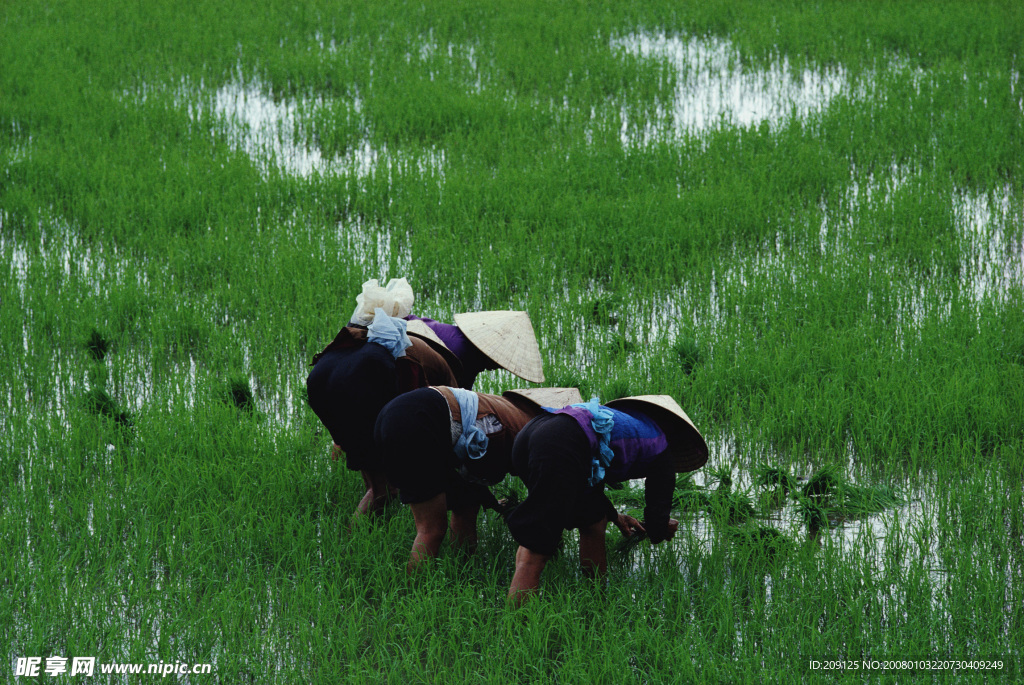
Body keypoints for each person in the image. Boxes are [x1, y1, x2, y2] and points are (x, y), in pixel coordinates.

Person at [307, 278, 546, 518]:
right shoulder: (462, 358)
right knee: (387, 487)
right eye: (498, 361)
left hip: (327, 371)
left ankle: (357, 525)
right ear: (488, 351)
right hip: (366, 381)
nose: (497, 368)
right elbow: (453, 427)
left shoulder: (438, 330)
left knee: (377, 473)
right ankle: (353, 542)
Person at [504, 395, 708, 605]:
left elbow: (591, 482)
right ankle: (516, 627)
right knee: (536, 546)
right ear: (675, 434)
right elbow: (656, 526)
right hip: (562, 443)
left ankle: (597, 601)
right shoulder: (661, 449)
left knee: (593, 520)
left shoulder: (621, 422)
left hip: (532, 432)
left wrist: (614, 516)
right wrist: (662, 528)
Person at [375, 387, 582, 573]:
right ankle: (412, 594)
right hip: (419, 422)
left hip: (395, 412)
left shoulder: (507, 409)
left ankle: (461, 572)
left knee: (466, 503)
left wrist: (493, 502)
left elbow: (473, 483)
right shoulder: (530, 430)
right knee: (432, 528)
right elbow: (545, 497)